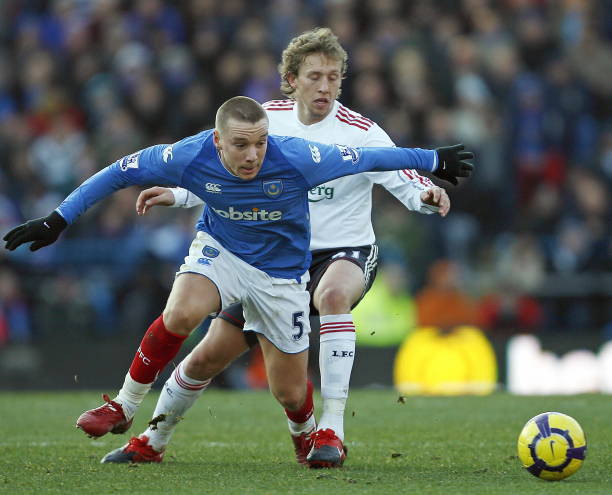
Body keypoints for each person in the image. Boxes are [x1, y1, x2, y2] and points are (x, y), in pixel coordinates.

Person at [3, 94, 472, 466]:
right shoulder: (188, 154)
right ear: (218, 140)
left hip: (281, 278)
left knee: (289, 392)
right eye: (241, 145)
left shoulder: (301, 156)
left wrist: (433, 160)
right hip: (222, 254)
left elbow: (370, 157)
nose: (253, 155)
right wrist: (58, 219)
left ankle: (306, 433)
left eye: (260, 143)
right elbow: (116, 173)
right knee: (182, 312)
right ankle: (125, 407)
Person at [99, 28, 464, 469]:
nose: (325, 86)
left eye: (333, 77)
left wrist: (426, 195)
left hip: (343, 252)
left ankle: (332, 430)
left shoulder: (362, 132)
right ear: (291, 80)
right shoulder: (265, 122)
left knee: (332, 296)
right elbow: (224, 170)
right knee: (212, 359)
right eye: (315, 76)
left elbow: (403, 176)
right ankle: (152, 441)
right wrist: (179, 195)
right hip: (270, 263)